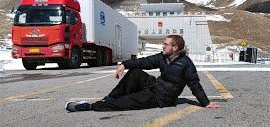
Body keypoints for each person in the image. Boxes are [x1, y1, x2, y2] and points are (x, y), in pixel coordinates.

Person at [66, 35, 220, 112]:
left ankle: (90, 107)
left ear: (176, 47)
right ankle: (110, 98)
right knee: (136, 72)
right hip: (154, 86)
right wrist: (124, 64)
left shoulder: (185, 63)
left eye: (166, 44)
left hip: (161, 98)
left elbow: (194, 84)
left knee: (127, 102)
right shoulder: (163, 57)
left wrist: (205, 102)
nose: (163, 46)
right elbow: (143, 62)